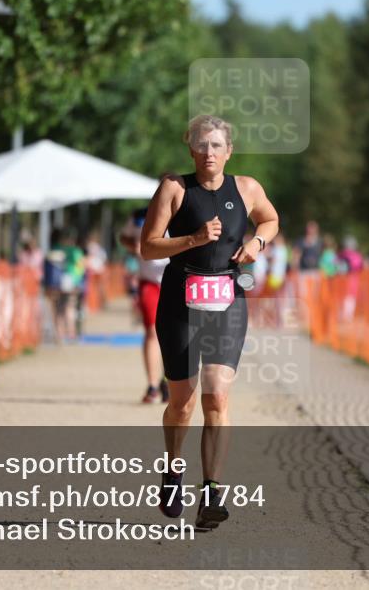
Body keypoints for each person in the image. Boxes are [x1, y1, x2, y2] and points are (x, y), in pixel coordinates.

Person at [140, 114, 278, 531]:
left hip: (228, 301)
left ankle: (212, 493)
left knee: (217, 395)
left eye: (217, 145)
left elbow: (270, 219)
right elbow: (148, 247)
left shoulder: (247, 188)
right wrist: (194, 239)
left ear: (229, 151)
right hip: (179, 303)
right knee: (182, 402)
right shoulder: (174, 188)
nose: (209, 153)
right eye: (201, 145)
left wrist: (257, 242)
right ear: (191, 149)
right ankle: (173, 470)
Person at [120, 205, 171, 404]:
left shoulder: (184, 209)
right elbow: (123, 237)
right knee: (152, 331)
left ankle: (169, 381)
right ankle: (152, 386)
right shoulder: (139, 216)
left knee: (175, 333)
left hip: (175, 280)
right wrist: (134, 245)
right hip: (149, 282)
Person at [338, 235, 364, 321]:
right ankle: (347, 316)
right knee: (350, 299)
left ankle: (343, 316)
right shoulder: (356, 256)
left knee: (344, 299)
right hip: (352, 281)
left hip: (343, 281)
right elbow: (360, 267)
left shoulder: (340, 255)